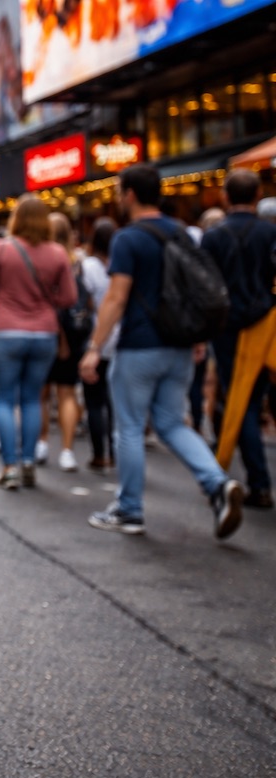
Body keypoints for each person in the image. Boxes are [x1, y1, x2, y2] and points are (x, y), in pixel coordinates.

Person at [79, 164, 245, 538]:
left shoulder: (127, 239)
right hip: (181, 344)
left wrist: (94, 347)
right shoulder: (184, 234)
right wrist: (199, 338)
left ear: (131, 194)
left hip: (139, 345)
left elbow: (116, 298)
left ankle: (129, 509)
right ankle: (217, 484)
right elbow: (194, 289)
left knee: (131, 427)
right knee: (172, 422)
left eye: (121, 191)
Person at [0, 193, 76, 490]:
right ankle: (29, 461)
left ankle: (9, 467)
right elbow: (69, 298)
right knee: (33, 398)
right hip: (44, 333)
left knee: (5, 400)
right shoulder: (58, 253)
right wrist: (46, 301)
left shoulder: (2, 249)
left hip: (6, 330)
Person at [200, 169, 276, 510]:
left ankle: (257, 480)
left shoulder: (214, 237)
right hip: (265, 323)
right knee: (253, 398)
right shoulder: (269, 232)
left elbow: (205, 286)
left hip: (229, 325)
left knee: (240, 402)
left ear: (225, 197)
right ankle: (254, 478)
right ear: (258, 194)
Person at [36, 213, 90, 472]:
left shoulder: (42, 259)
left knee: (41, 394)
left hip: (46, 333)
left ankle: (42, 441)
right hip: (73, 335)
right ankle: (67, 450)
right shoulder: (79, 263)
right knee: (67, 394)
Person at [80, 218, 118, 472]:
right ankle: (116, 453)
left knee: (94, 401)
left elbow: (84, 304)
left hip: (95, 338)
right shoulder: (122, 264)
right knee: (115, 401)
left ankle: (99, 454)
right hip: (121, 341)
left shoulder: (88, 267)